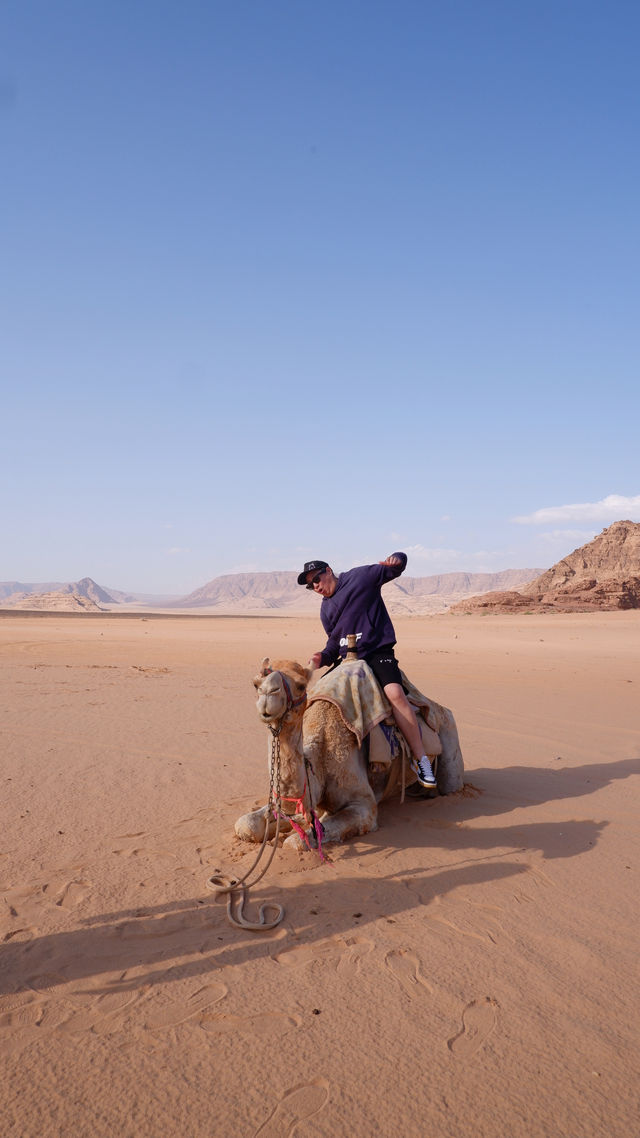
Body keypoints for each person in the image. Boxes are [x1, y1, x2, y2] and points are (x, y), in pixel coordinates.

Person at [297, 552, 437, 788]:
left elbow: (393, 569)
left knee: (394, 694)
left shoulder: (360, 577)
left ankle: (420, 758)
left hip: (376, 653)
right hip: (347, 661)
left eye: (316, 580)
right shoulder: (326, 610)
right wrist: (322, 656)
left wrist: (397, 558)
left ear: (329, 571)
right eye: (310, 586)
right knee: (317, 699)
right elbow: (334, 642)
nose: (315, 587)